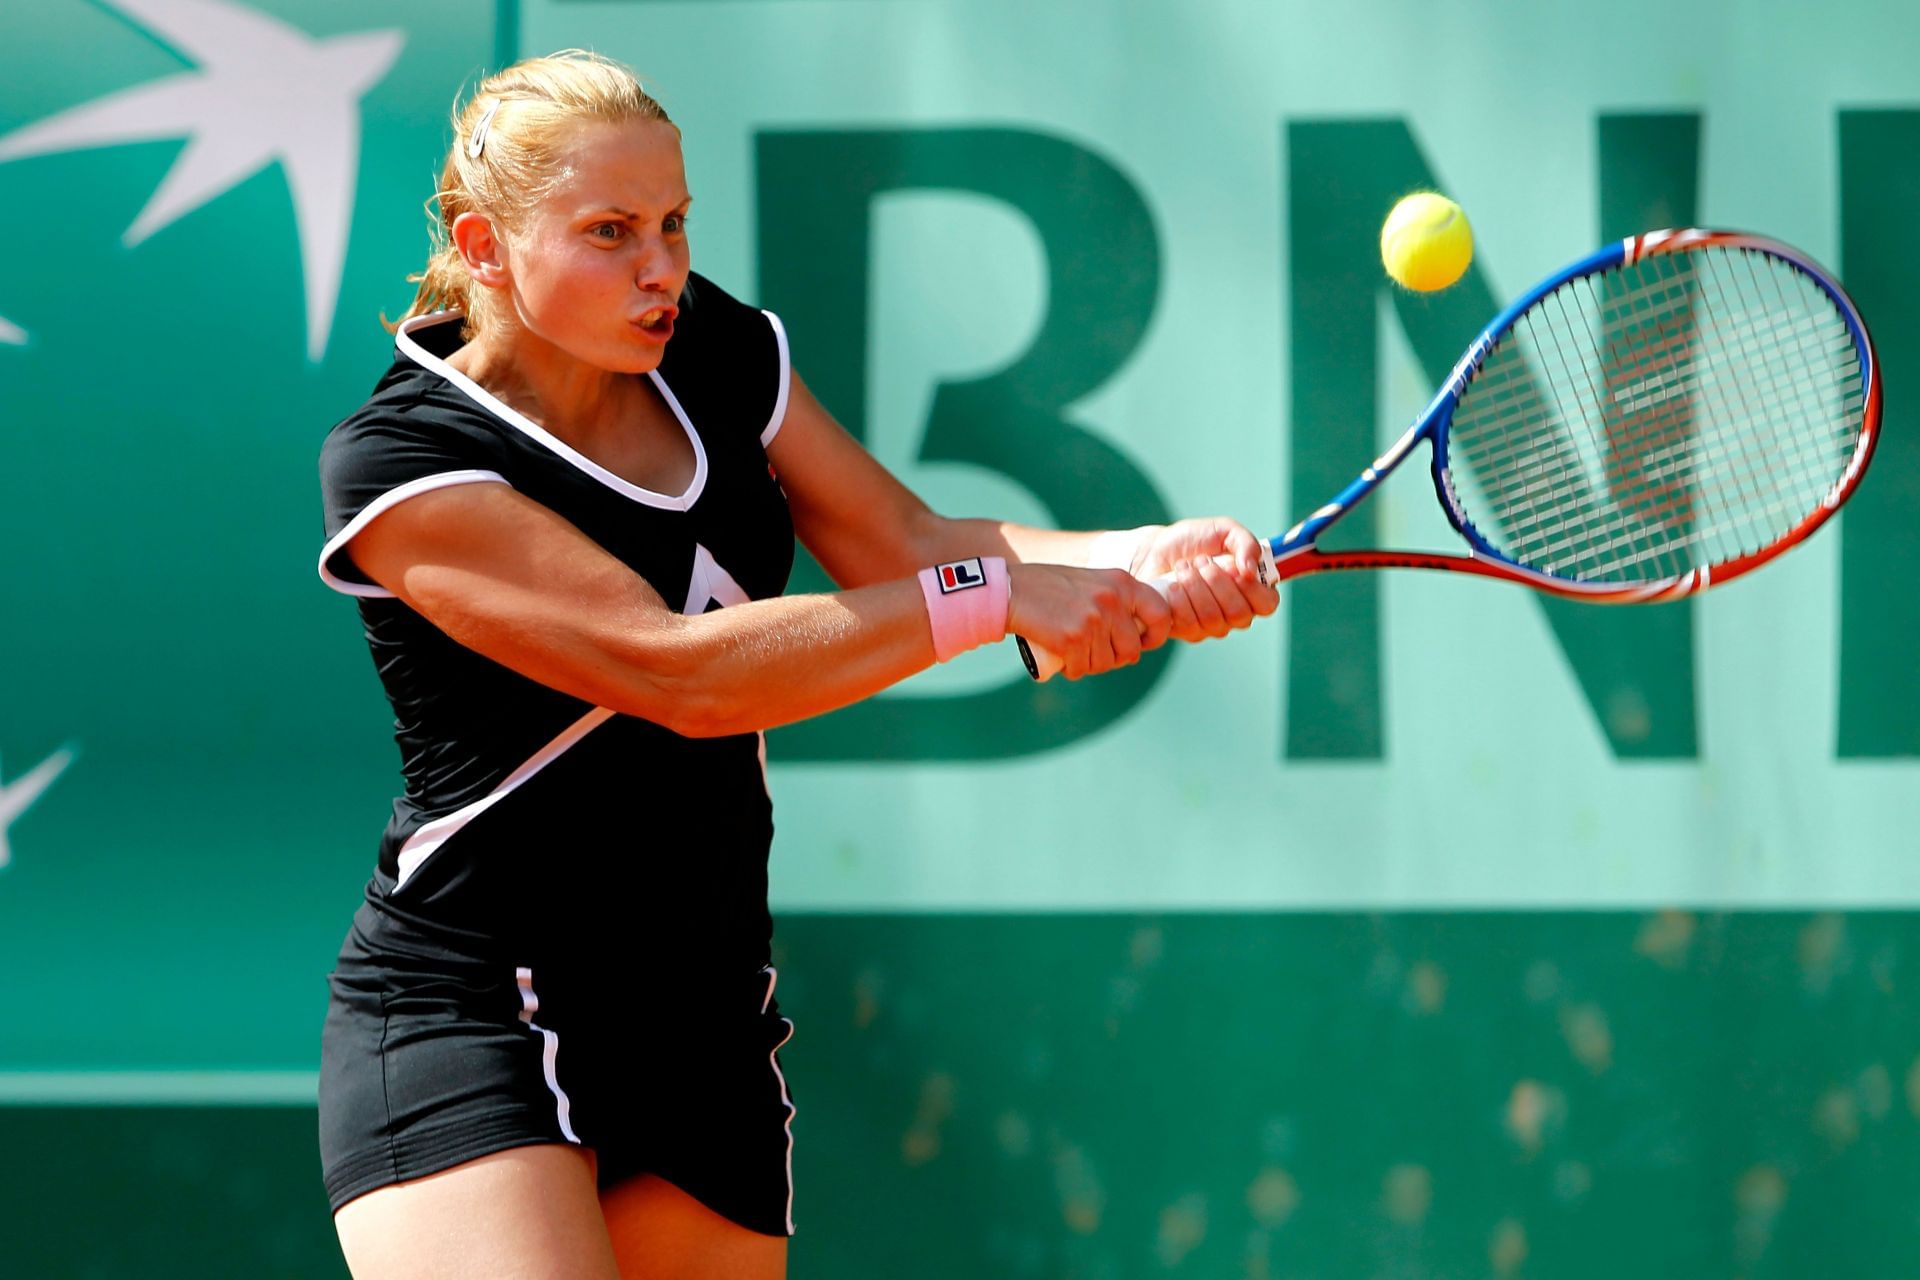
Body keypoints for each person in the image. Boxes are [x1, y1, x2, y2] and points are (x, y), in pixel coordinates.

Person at [314, 49, 1277, 1280]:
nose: (660, 266)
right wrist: (1004, 597)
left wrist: (1134, 554)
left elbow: (909, 543)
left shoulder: (713, 347)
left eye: (672, 223)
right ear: (486, 245)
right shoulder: (402, 464)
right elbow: (681, 674)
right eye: (610, 231)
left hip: (701, 1018)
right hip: (476, 1007)